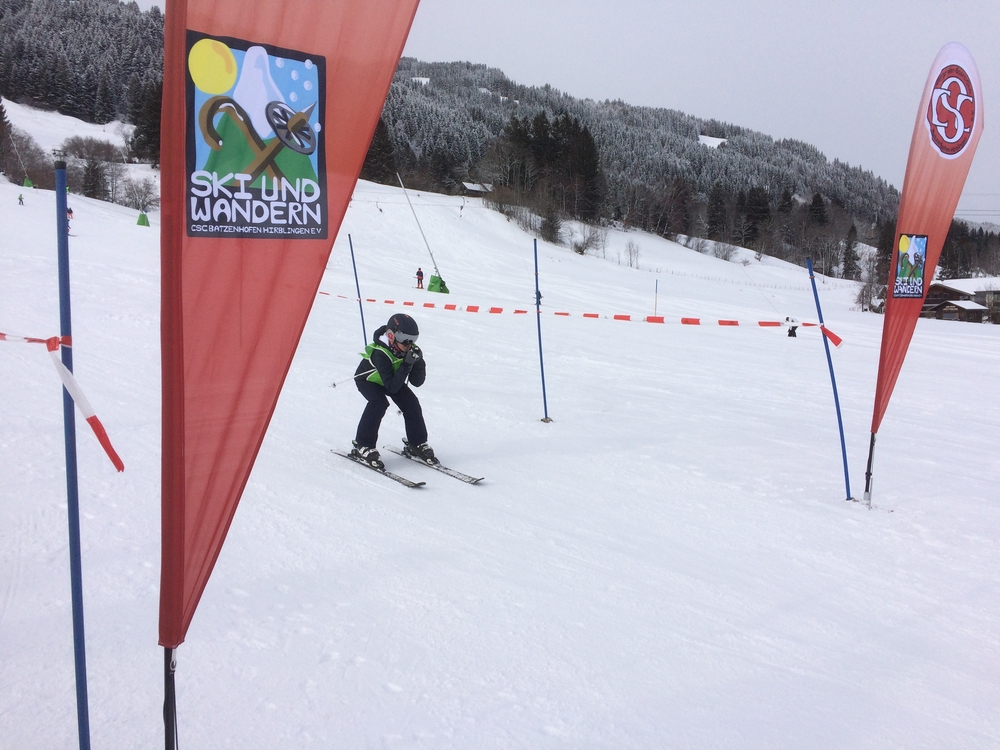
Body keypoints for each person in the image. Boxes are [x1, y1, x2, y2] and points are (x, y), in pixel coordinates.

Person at [350, 313, 437, 469]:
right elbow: (392, 387)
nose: (409, 344)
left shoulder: (408, 348)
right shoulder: (380, 353)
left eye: (413, 339)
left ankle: (417, 443)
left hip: (391, 380)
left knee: (411, 403)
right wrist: (406, 365)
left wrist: (418, 362)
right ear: (391, 335)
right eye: (405, 339)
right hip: (369, 380)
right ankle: (363, 445)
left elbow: (417, 382)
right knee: (378, 403)